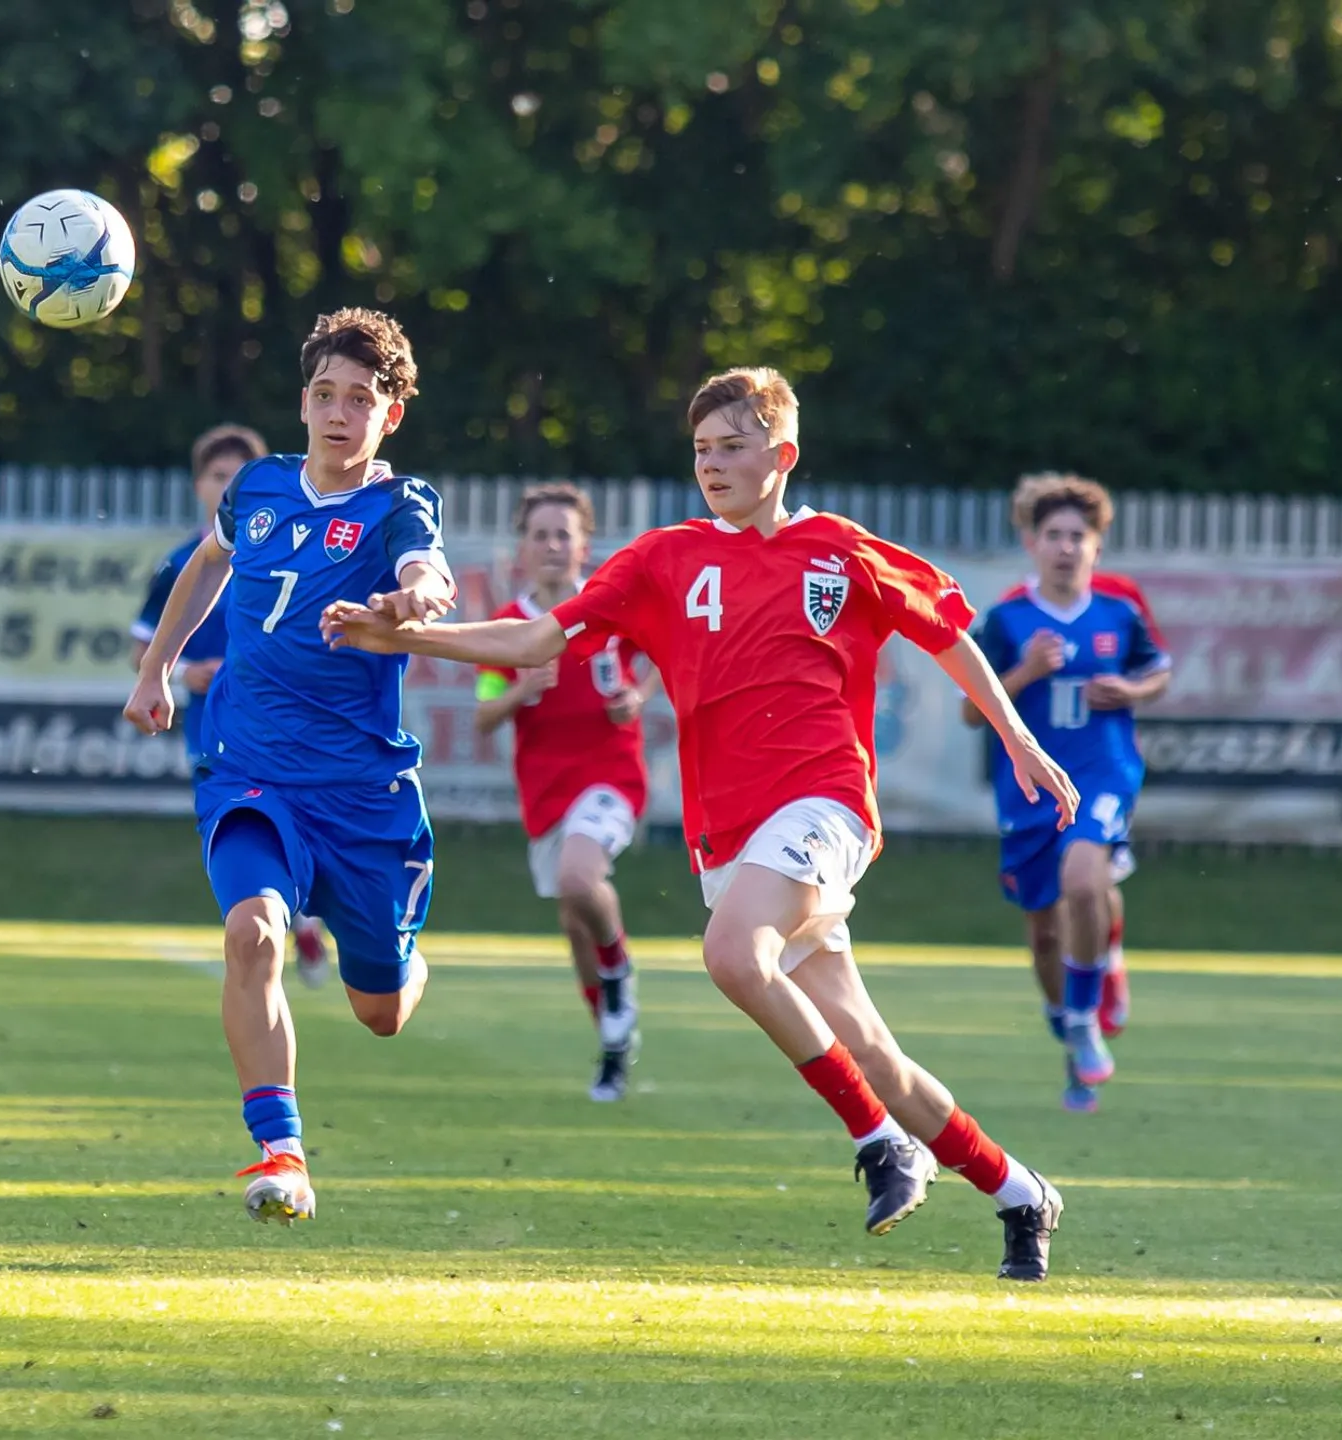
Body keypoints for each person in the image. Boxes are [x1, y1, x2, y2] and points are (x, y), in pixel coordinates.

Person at [326, 367, 1078, 1281]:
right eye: (700, 451)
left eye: (732, 447)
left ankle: (881, 1144)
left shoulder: (841, 553)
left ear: (783, 455)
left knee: (732, 955)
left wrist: (1020, 738)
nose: (711, 465)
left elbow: (950, 634)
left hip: (826, 805)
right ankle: (1019, 1192)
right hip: (730, 838)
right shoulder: (663, 559)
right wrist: (402, 637)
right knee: (875, 1052)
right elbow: (533, 643)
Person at [123, 308, 454, 1228]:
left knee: (379, 1008)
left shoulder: (398, 505)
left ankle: (402, 961)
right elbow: (205, 567)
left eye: (361, 399)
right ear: (302, 402)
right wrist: (155, 671)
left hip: (360, 791)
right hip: (249, 767)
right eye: (324, 395)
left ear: (390, 415)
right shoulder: (260, 488)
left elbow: (430, 574)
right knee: (254, 934)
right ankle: (281, 1152)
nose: (339, 413)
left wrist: (414, 595)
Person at [964, 475, 1171, 1112]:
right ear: (1031, 543)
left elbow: (1157, 670)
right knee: (1045, 934)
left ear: (1097, 548)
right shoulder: (1006, 620)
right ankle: (1071, 1020)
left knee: (1084, 882)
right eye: (1052, 535)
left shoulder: (1118, 614)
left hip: (1103, 774)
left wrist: (1130, 692)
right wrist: (1025, 670)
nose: (1065, 547)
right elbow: (973, 713)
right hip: (1028, 787)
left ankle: (1084, 1020)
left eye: (1077, 536)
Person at [132, 424, 333, 989]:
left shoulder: (290, 548)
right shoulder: (181, 562)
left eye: (237, 476)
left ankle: (300, 908)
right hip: (212, 723)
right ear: (199, 486)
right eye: (217, 476)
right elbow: (139, 643)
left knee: (293, 818)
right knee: (241, 821)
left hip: (287, 719)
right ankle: (280, 915)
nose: (227, 486)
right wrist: (177, 671)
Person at [475, 484, 655, 1102]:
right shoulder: (507, 626)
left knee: (582, 880)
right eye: (540, 535)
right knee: (574, 921)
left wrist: (639, 696)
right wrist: (519, 691)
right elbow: (482, 715)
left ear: (585, 547)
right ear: (521, 550)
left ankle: (619, 973)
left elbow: (663, 654)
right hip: (545, 790)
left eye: (563, 535)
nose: (552, 546)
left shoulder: (609, 609)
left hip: (610, 777)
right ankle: (612, 1041)